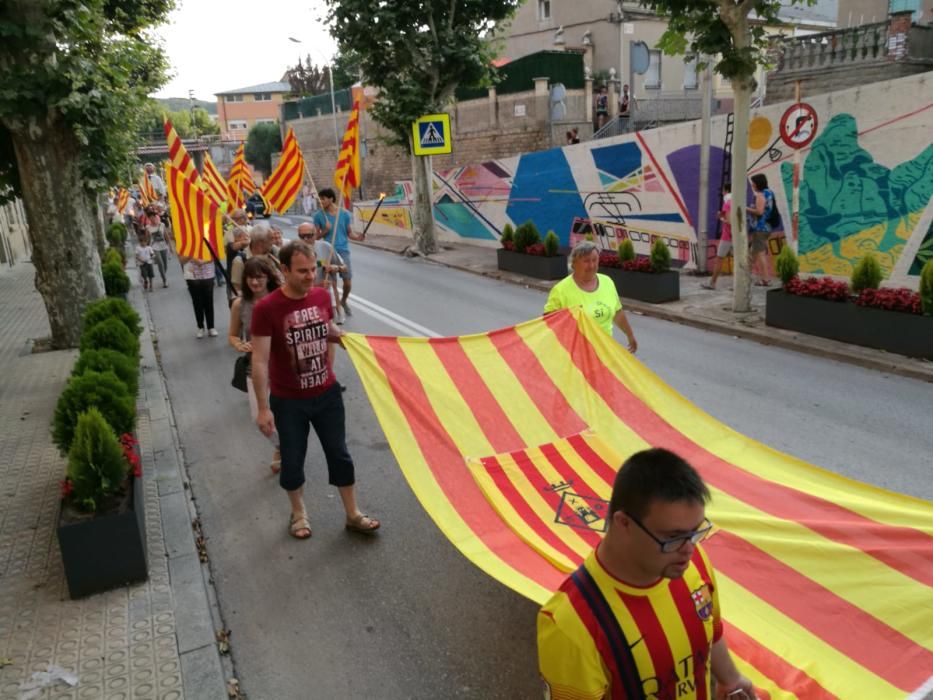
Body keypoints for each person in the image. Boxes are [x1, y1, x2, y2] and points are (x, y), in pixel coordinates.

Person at [538, 448, 758, 700]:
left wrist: (730, 679)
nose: (688, 549)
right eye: (672, 537)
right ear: (624, 524)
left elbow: (711, 626)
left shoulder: (691, 561)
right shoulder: (570, 624)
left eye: (695, 532)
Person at [250, 240, 380, 539]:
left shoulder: (321, 297)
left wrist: (354, 341)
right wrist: (263, 407)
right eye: (302, 271)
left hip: (327, 394)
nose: (310, 276)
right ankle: (298, 514)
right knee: (293, 459)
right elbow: (259, 359)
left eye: (313, 269)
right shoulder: (267, 309)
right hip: (288, 401)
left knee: (340, 454)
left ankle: (352, 514)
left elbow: (329, 331)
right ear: (283, 270)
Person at [228, 257, 282, 475]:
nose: (255, 282)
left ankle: (285, 451)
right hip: (255, 368)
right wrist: (240, 344)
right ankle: (282, 446)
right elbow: (232, 335)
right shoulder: (239, 304)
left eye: (259, 277)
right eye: (250, 277)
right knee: (259, 418)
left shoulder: (281, 298)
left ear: (268, 277)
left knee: (285, 415)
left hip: (282, 366)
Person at [544, 241, 637, 353]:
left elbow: (617, 312)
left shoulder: (607, 282)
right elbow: (549, 324)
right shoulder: (560, 290)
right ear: (574, 263)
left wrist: (630, 335)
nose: (592, 265)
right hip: (576, 355)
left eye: (595, 260)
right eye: (586, 261)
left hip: (605, 351)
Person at [313, 187, 365, 323]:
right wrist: (325, 230)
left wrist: (358, 238)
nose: (321, 202)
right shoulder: (318, 216)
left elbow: (349, 233)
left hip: (343, 251)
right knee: (333, 282)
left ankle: (343, 301)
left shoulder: (345, 214)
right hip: (327, 252)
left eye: (323, 199)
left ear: (331, 199)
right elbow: (314, 237)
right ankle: (336, 312)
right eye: (319, 199)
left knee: (347, 282)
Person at [230, 223, 282, 296]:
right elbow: (236, 290)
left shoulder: (274, 252)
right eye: (271, 239)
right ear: (260, 243)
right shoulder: (240, 261)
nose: (273, 242)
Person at [179, 254, 217, 338]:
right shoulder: (185, 242)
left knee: (209, 300)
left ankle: (211, 327)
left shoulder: (208, 240)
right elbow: (181, 260)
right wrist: (191, 255)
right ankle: (200, 327)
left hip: (208, 274)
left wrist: (202, 261)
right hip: (192, 276)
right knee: (197, 302)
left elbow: (215, 255)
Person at [702, 183, 732, 291]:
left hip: (728, 236)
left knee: (719, 259)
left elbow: (729, 221)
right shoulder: (738, 201)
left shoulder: (727, 203)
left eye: (723, 190)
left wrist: (720, 218)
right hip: (737, 236)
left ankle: (712, 283)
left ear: (726, 191)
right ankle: (739, 285)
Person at [747, 174, 774, 287]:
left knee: (760, 253)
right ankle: (745, 276)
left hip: (760, 228)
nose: (752, 184)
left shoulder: (760, 195)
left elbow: (759, 211)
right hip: (766, 227)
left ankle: (766, 279)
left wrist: (745, 208)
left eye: (753, 182)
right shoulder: (769, 193)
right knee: (753, 253)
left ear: (758, 183)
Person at [141, 205, 170, 288]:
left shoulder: (162, 225)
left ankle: (163, 274)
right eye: (150, 219)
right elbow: (147, 239)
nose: (151, 220)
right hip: (154, 247)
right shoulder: (148, 227)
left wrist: (170, 247)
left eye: (153, 218)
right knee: (160, 263)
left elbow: (166, 236)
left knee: (165, 265)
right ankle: (165, 280)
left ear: (155, 217)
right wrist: (145, 248)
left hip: (163, 246)